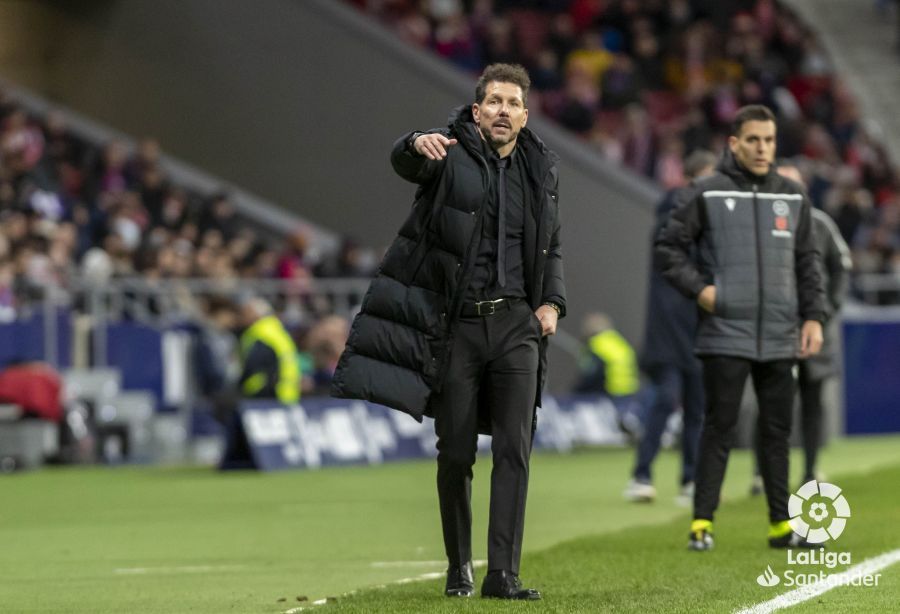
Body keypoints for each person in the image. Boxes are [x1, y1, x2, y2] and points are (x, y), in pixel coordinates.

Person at [332, 63, 565, 600]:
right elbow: (404, 162)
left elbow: (553, 246)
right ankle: (459, 566)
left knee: (515, 447)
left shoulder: (541, 170)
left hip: (516, 326)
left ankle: (503, 573)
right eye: (495, 102)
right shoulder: (448, 153)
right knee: (456, 452)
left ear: (525, 116)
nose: (504, 110)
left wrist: (553, 301)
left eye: (513, 103)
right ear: (478, 110)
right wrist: (414, 142)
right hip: (457, 325)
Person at [655, 105, 826, 551]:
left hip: (779, 333)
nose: (762, 148)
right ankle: (701, 526)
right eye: (753, 139)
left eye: (769, 140)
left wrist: (813, 317)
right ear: (734, 143)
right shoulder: (705, 192)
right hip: (724, 331)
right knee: (720, 427)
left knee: (776, 433)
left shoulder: (793, 195)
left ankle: (780, 527)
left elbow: (809, 263)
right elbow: (668, 249)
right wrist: (703, 291)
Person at [749, 162, 852, 494]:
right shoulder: (761, 226)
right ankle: (760, 472)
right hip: (775, 330)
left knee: (812, 400)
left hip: (813, 330)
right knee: (768, 403)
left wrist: (825, 311)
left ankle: (809, 470)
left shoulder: (820, 224)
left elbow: (841, 268)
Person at [623, 150, 716, 505]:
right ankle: (642, 474)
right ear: (691, 180)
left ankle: (690, 479)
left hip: (697, 327)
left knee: (696, 406)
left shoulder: (707, 224)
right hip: (668, 330)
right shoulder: (672, 218)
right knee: (666, 399)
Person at [238, 297, 300, 404]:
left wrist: (241, 386)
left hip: (267, 396)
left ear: (254, 314)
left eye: (245, 313)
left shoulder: (259, 333)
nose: (241, 317)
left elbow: (252, 365)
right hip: (288, 394)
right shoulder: (278, 331)